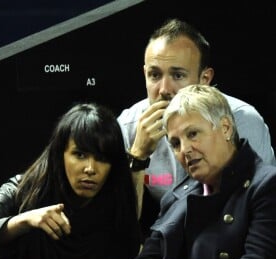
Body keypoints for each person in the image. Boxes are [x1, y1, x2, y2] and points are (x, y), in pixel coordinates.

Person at [117, 17, 276, 238]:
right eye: (155, 75)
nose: (164, 89)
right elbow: (118, 224)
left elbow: (258, 210)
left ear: (204, 79)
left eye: (178, 75)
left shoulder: (241, 120)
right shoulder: (127, 126)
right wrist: (138, 156)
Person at [0, 102, 141, 259]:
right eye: (80, 155)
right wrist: (24, 221)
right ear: (60, 154)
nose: (90, 169)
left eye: (102, 158)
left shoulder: (117, 203)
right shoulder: (22, 191)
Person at [133, 84, 276, 259]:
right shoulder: (175, 198)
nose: (184, 150)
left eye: (193, 134)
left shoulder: (268, 186)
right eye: (175, 143)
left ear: (225, 128)